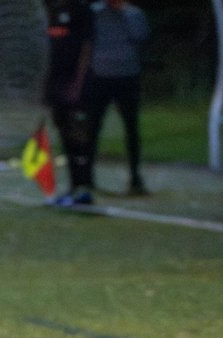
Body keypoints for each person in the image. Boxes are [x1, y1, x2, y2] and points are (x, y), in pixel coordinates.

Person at [75, 0, 150, 197]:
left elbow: (140, 37)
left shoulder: (133, 14)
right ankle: (86, 177)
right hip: (100, 76)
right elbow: (85, 42)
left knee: (131, 128)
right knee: (92, 127)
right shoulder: (94, 13)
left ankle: (135, 177)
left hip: (127, 76)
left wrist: (122, 13)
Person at [43, 0, 95, 206]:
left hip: (75, 85)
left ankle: (84, 187)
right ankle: (74, 186)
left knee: (80, 137)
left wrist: (77, 85)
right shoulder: (52, 9)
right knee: (65, 136)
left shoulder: (81, 10)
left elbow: (87, 48)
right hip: (56, 85)